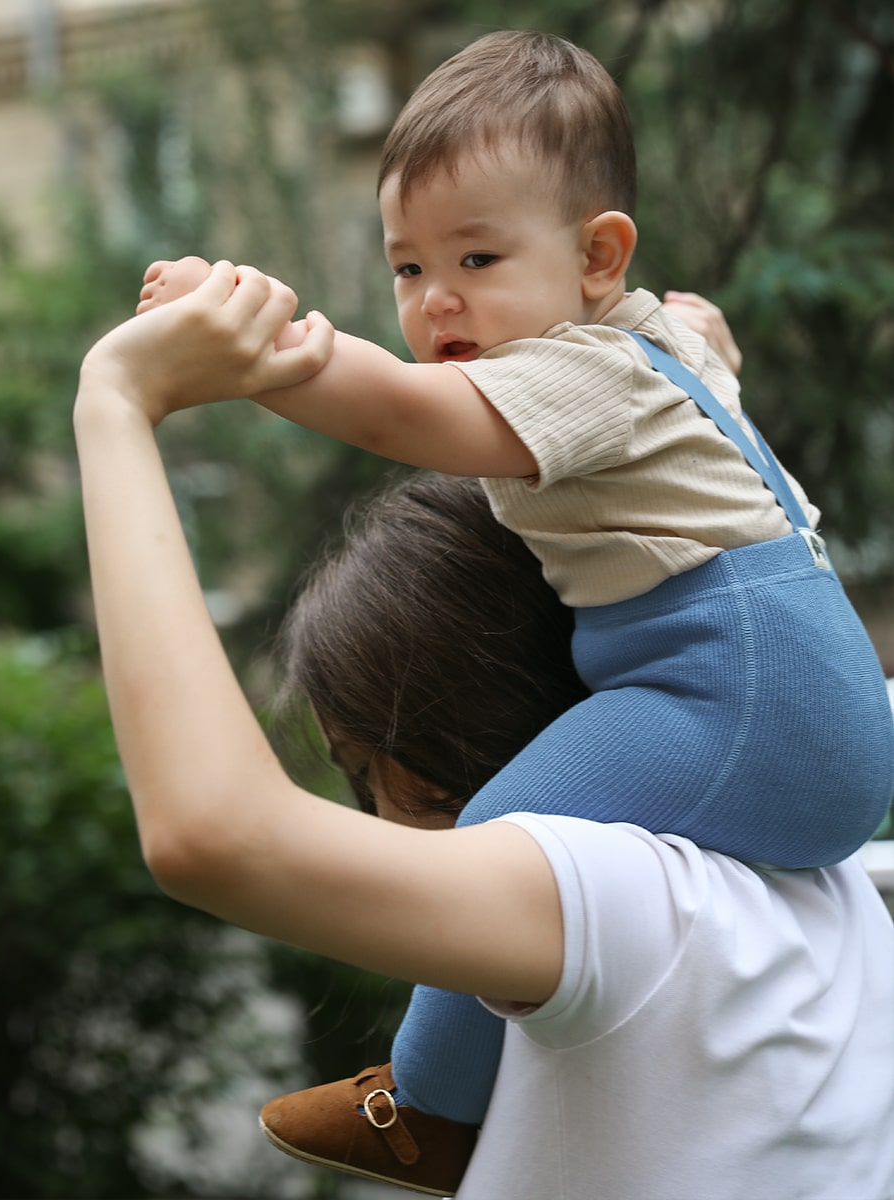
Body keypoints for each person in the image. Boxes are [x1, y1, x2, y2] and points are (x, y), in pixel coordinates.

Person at [132, 28, 894, 1189]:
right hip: (802, 688)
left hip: (737, 695)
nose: (437, 300)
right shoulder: (655, 348)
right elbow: (707, 377)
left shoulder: (579, 371)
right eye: (406, 270)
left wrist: (249, 340)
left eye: (477, 258)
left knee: (499, 834)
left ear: (598, 257)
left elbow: (398, 413)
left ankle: (425, 1110)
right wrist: (712, 342)